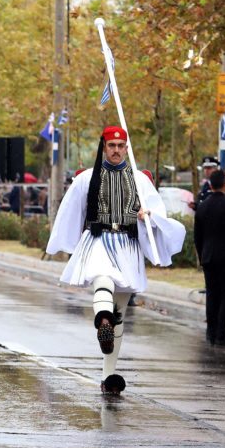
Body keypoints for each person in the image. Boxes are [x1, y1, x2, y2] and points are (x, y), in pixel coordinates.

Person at [45, 125, 186, 394]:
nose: (117, 150)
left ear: (127, 148)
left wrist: (148, 216)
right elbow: (71, 211)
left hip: (127, 244)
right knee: (103, 277)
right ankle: (103, 320)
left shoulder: (140, 181)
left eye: (121, 146)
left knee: (120, 309)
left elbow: (158, 212)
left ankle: (109, 374)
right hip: (98, 239)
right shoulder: (87, 178)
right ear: (104, 147)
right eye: (112, 145)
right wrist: (68, 242)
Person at [194, 169, 225, 348]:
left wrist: (201, 255)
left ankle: (211, 333)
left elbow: (197, 236)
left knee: (212, 295)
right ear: (223, 183)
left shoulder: (203, 206)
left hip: (208, 258)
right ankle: (221, 334)